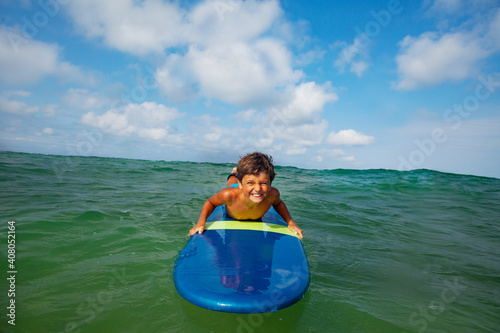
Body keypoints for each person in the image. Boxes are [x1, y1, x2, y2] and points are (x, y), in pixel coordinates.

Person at [188, 152, 304, 239]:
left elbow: (279, 204)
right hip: (235, 194)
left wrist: (291, 223)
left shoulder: (273, 194)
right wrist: (201, 223)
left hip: (245, 194)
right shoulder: (228, 195)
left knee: (245, 185)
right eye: (250, 182)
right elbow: (210, 203)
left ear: (270, 183)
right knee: (231, 183)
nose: (258, 189)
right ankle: (234, 173)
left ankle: (241, 177)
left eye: (263, 183)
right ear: (241, 183)